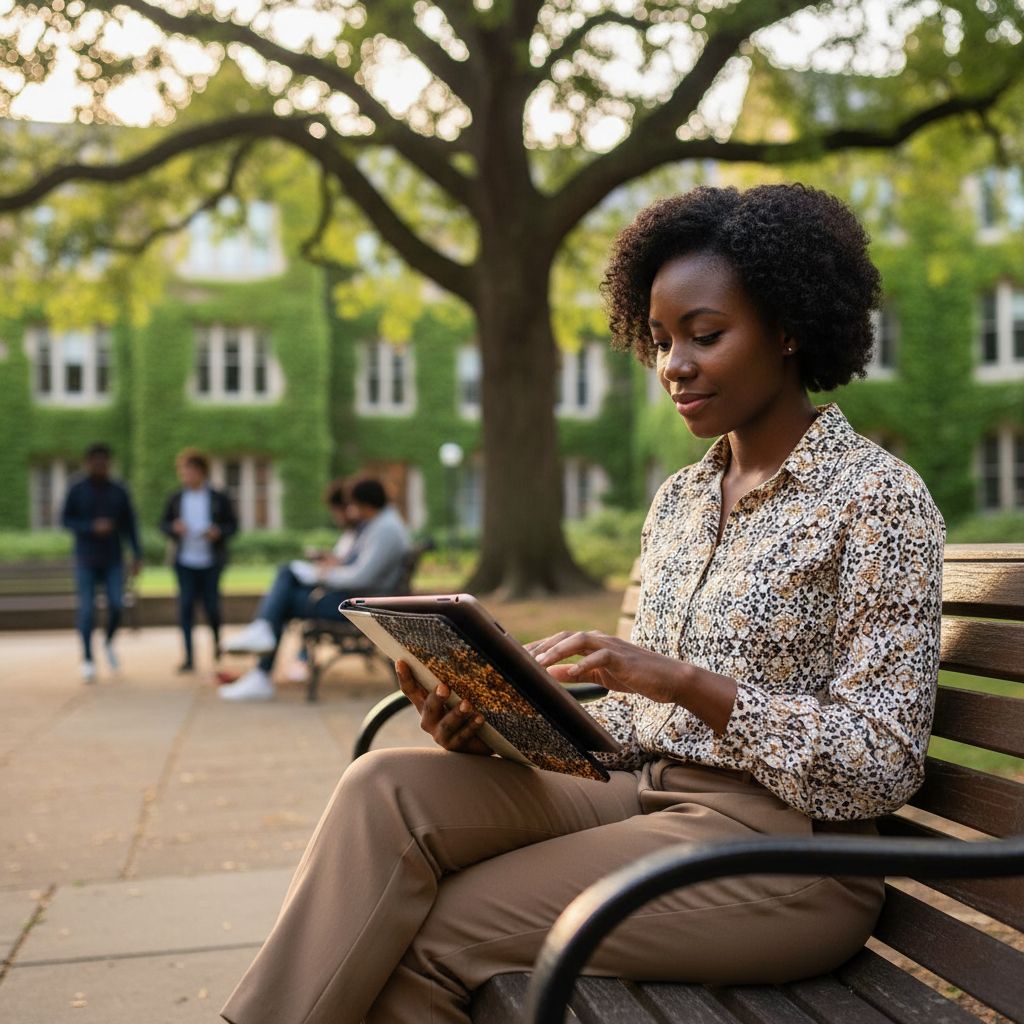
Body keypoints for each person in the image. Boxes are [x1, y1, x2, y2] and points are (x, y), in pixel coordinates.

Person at [220, 184, 945, 1024]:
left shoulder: (875, 499)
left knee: (439, 931)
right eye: (663, 339)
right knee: (385, 789)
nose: (673, 364)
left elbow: (882, 760)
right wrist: (502, 722)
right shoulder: (681, 499)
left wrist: (681, 682)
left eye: (706, 335)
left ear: (788, 327)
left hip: (788, 851)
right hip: (642, 789)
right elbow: (639, 728)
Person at [221, 477, 412, 702]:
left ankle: (262, 659)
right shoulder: (382, 524)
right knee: (287, 576)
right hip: (356, 602)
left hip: (359, 608)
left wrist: (325, 574)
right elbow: (362, 569)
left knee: (286, 591)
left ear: (365, 504)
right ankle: (261, 652)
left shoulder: (385, 529)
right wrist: (334, 564)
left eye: (353, 505)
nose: (350, 511)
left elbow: (363, 577)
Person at [61, 442, 143, 683]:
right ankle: (87, 658)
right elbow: (66, 520)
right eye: (95, 462)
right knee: (87, 610)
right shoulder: (77, 490)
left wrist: (137, 554)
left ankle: (107, 642)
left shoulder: (119, 491)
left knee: (117, 604)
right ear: (88, 464)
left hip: (113, 558)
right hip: (86, 558)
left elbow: (130, 525)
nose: (100, 466)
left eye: (104, 462)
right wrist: (90, 527)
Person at [159, 448, 239, 673]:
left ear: (201, 472)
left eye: (190, 471)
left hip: (211, 560)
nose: (186, 476)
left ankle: (216, 644)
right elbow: (163, 524)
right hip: (184, 560)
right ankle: (189, 656)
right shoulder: (176, 498)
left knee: (212, 606)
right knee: (185, 607)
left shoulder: (217, 497)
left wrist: (218, 532)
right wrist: (174, 528)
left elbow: (233, 526)